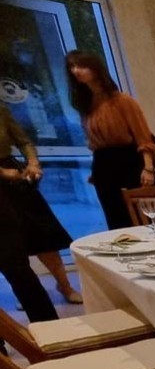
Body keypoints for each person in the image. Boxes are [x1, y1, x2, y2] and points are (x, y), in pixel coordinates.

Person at [65, 50, 155, 230]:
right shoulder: (87, 107)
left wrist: (148, 168)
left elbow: (143, 136)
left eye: (81, 66)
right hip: (103, 164)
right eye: (72, 67)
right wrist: (98, 169)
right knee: (116, 218)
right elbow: (95, 143)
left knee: (145, 216)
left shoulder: (122, 101)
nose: (76, 71)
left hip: (130, 161)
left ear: (95, 69)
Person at [0, 103, 82, 304]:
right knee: (12, 242)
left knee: (43, 233)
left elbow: (24, 140)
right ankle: (26, 291)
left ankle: (64, 285)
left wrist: (33, 162)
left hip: (15, 175)